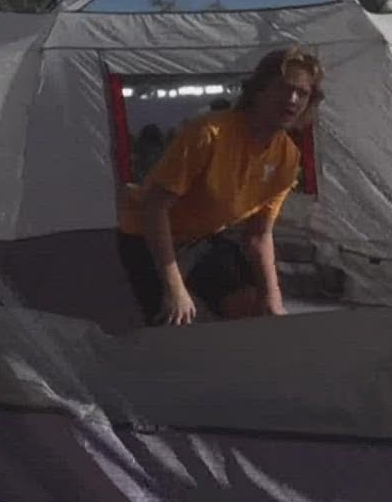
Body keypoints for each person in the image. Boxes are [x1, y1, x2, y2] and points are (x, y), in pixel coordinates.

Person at [117, 47, 324, 326]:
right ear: (259, 90)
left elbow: (258, 236)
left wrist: (273, 301)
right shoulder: (209, 134)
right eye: (283, 89)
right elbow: (154, 208)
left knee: (254, 304)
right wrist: (175, 287)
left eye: (303, 93)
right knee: (174, 318)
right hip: (145, 234)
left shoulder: (287, 157)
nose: (292, 99)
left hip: (201, 239)